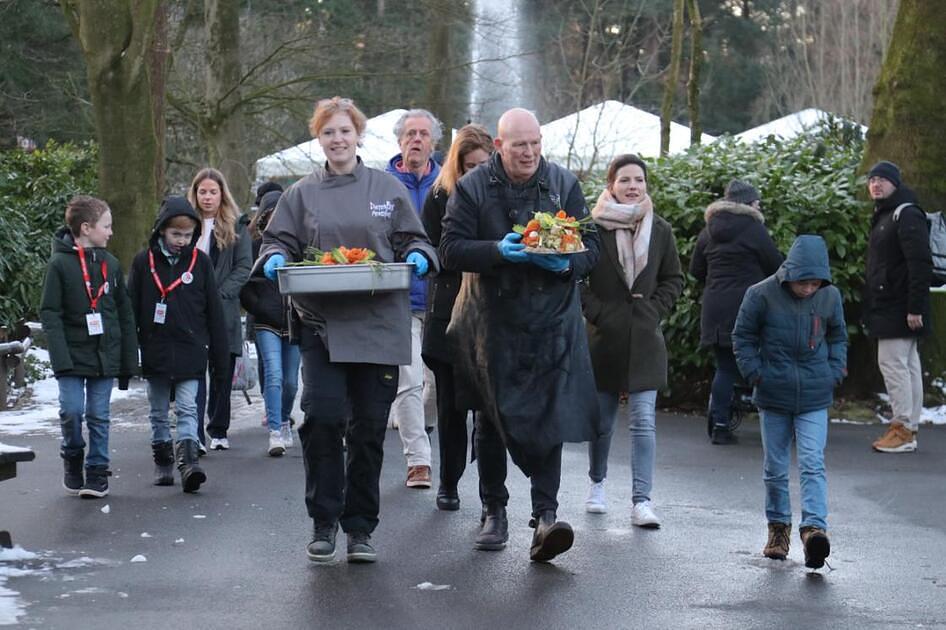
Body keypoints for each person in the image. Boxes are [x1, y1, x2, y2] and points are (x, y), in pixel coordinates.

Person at [260, 96, 439, 564]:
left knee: (368, 430)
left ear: (358, 135)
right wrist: (275, 258)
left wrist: (420, 256)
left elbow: (414, 238)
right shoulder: (301, 193)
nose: (337, 140)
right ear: (318, 139)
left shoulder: (386, 188)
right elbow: (277, 239)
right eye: (327, 133)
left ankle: (360, 527)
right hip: (321, 324)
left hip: (380, 325)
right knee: (321, 418)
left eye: (344, 131)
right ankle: (324, 520)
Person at [440, 108, 602, 562]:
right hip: (490, 320)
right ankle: (494, 510)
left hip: (552, 321)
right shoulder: (472, 188)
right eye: (519, 146)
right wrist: (498, 251)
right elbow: (449, 250)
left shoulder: (563, 183)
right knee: (491, 417)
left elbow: (594, 248)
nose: (529, 153)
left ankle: (547, 517)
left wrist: (567, 262)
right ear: (498, 146)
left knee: (550, 415)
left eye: (534, 144)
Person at [732, 234, 847, 569]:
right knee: (775, 468)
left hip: (815, 393)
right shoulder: (760, 294)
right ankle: (778, 530)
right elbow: (743, 336)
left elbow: (838, 335)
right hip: (773, 393)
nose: (809, 289)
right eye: (803, 283)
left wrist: (834, 372)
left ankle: (814, 530)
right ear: (790, 273)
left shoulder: (830, 296)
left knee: (813, 462)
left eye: (815, 284)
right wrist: (756, 373)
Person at [581, 154, 684, 526]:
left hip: (644, 338)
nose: (632, 186)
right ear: (611, 185)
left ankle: (642, 500)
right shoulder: (592, 229)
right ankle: (597, 485)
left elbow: (674, 279)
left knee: (643, 421)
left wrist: (654, 310)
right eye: (624, 180)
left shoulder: (661, 230)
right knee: (602, 421)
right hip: (604, 339)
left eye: (638, 180)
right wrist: (600, 313)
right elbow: (577, 280)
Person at [420, 123, 505, 512]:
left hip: (490, 314)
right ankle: (449, 481)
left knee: (488, 409)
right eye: (468, 166)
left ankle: (491, 494)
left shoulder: (502, 196)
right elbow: (438, 252)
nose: (474, 172)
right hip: (449, 312)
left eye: (481, 165)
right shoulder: (440, 197)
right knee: (451, 407)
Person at [128, 196, 229, 493]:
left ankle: (189, 465)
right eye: (176, 234)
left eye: (187, 235)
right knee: (159, 411)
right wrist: (129, 353)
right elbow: (131, 308)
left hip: (191, 349)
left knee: (187, 408)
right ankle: (163, 461)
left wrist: (220, 357)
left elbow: (214, 311)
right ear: (162, 231)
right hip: (156, 349)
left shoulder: (201, 262)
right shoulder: (142, 262)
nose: (182, 241)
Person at [40, 196, 138, 498]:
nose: (110, 232)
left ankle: (97, 470)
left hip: (103, 355)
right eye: (106, 226)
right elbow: (50, 312)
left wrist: (127, 360)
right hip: (71, 356)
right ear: (86, 228)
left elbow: (124, 313)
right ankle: (72, 453)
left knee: (99, 414)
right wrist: (60, 357)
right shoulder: (59, 265)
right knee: (72, 411)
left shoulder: (111, 263)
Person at [690, 179, 783, 444]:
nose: (759, 206)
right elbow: (775, 266)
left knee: (725, 367)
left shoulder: (708, 231)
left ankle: (720, 424)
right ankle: (772, 421)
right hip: (748, 306)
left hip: (715, 306)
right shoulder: (754, 229)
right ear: (748, 204)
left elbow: (696, 270)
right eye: (757, 202)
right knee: (760, 360)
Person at [385, 109, 442, 489]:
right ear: (400, 141)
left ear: (433, 142)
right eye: (410, 134)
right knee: (407, 380)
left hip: (441, 295)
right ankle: (418, 461)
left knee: (435, 381)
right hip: (399, 297)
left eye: (423, 134)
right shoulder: (382, 184)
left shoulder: (447, 182)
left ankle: (426, 424)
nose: (416, 140)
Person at [863, 161, 932, 453]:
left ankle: (902, 429)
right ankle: (909, 427)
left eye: (882, 179)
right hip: (894, 303)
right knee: (907, 366)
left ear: (895, 183)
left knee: (893, 365)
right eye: (872, 180)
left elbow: (920, 263)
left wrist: (915, 306)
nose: (876, 184)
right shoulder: (889, 213)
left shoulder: (905, 214)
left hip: (898, 305)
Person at [187, 167, 252, 452]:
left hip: (224, 309)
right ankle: (195, 432)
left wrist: (221, 294)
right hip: (191, 309)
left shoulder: (237, 227)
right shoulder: (185, 225)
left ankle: (218, 428)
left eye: (213, 192)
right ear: (195, 194)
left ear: (222, 194)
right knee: (195, 371)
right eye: (203, 192)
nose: (208, 197)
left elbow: (244, 267)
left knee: (222, 371)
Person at [240, 189, 300, 457]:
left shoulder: (299, 245)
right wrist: (260, 308)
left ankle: (285, 418)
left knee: (291, 383)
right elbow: (245, 285)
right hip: (267, 323)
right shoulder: (254, 247)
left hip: (296, 320)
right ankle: (275, 430)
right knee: (273, 376)